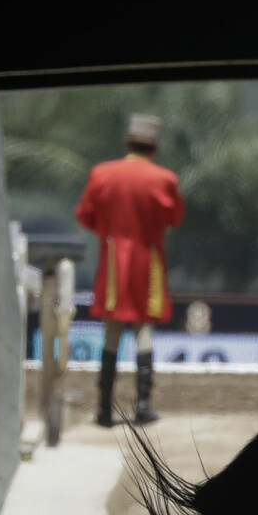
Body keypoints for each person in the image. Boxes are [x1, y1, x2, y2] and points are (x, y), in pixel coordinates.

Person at [75, 113, 184, 427]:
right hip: (147, 260)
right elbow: (174, 219)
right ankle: (142, 405)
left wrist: (109, 233)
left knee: (111, 333)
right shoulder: (164, 179)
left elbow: (85, 215)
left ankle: (104, 410)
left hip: (112, 260)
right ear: (153, 147)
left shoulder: (102, 173)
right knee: (143, 330)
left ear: (128, 142)